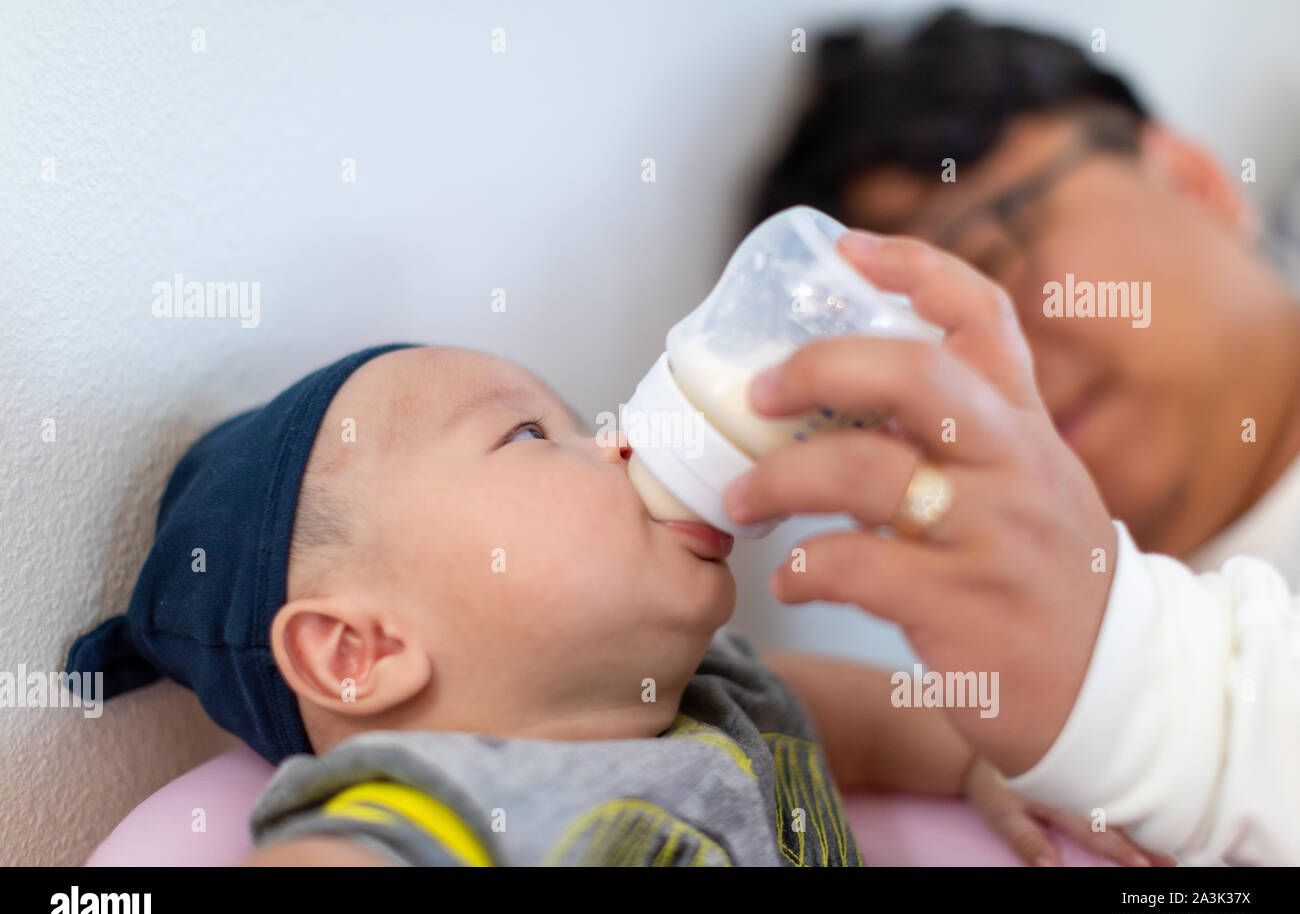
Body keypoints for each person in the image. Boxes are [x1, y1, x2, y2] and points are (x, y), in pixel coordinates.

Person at [65, 344, 1162, 866]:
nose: (621, 441)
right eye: (531, 435)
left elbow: (883, 721)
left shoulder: (718, 695)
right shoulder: (437, 804)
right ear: (361, 647)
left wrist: (988, 757)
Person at [727, 8, 1300, 864]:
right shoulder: (1026, 773)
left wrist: (1126, 684)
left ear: (1194, 178)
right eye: (901, 357)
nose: (983, 377)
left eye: (992, 254)